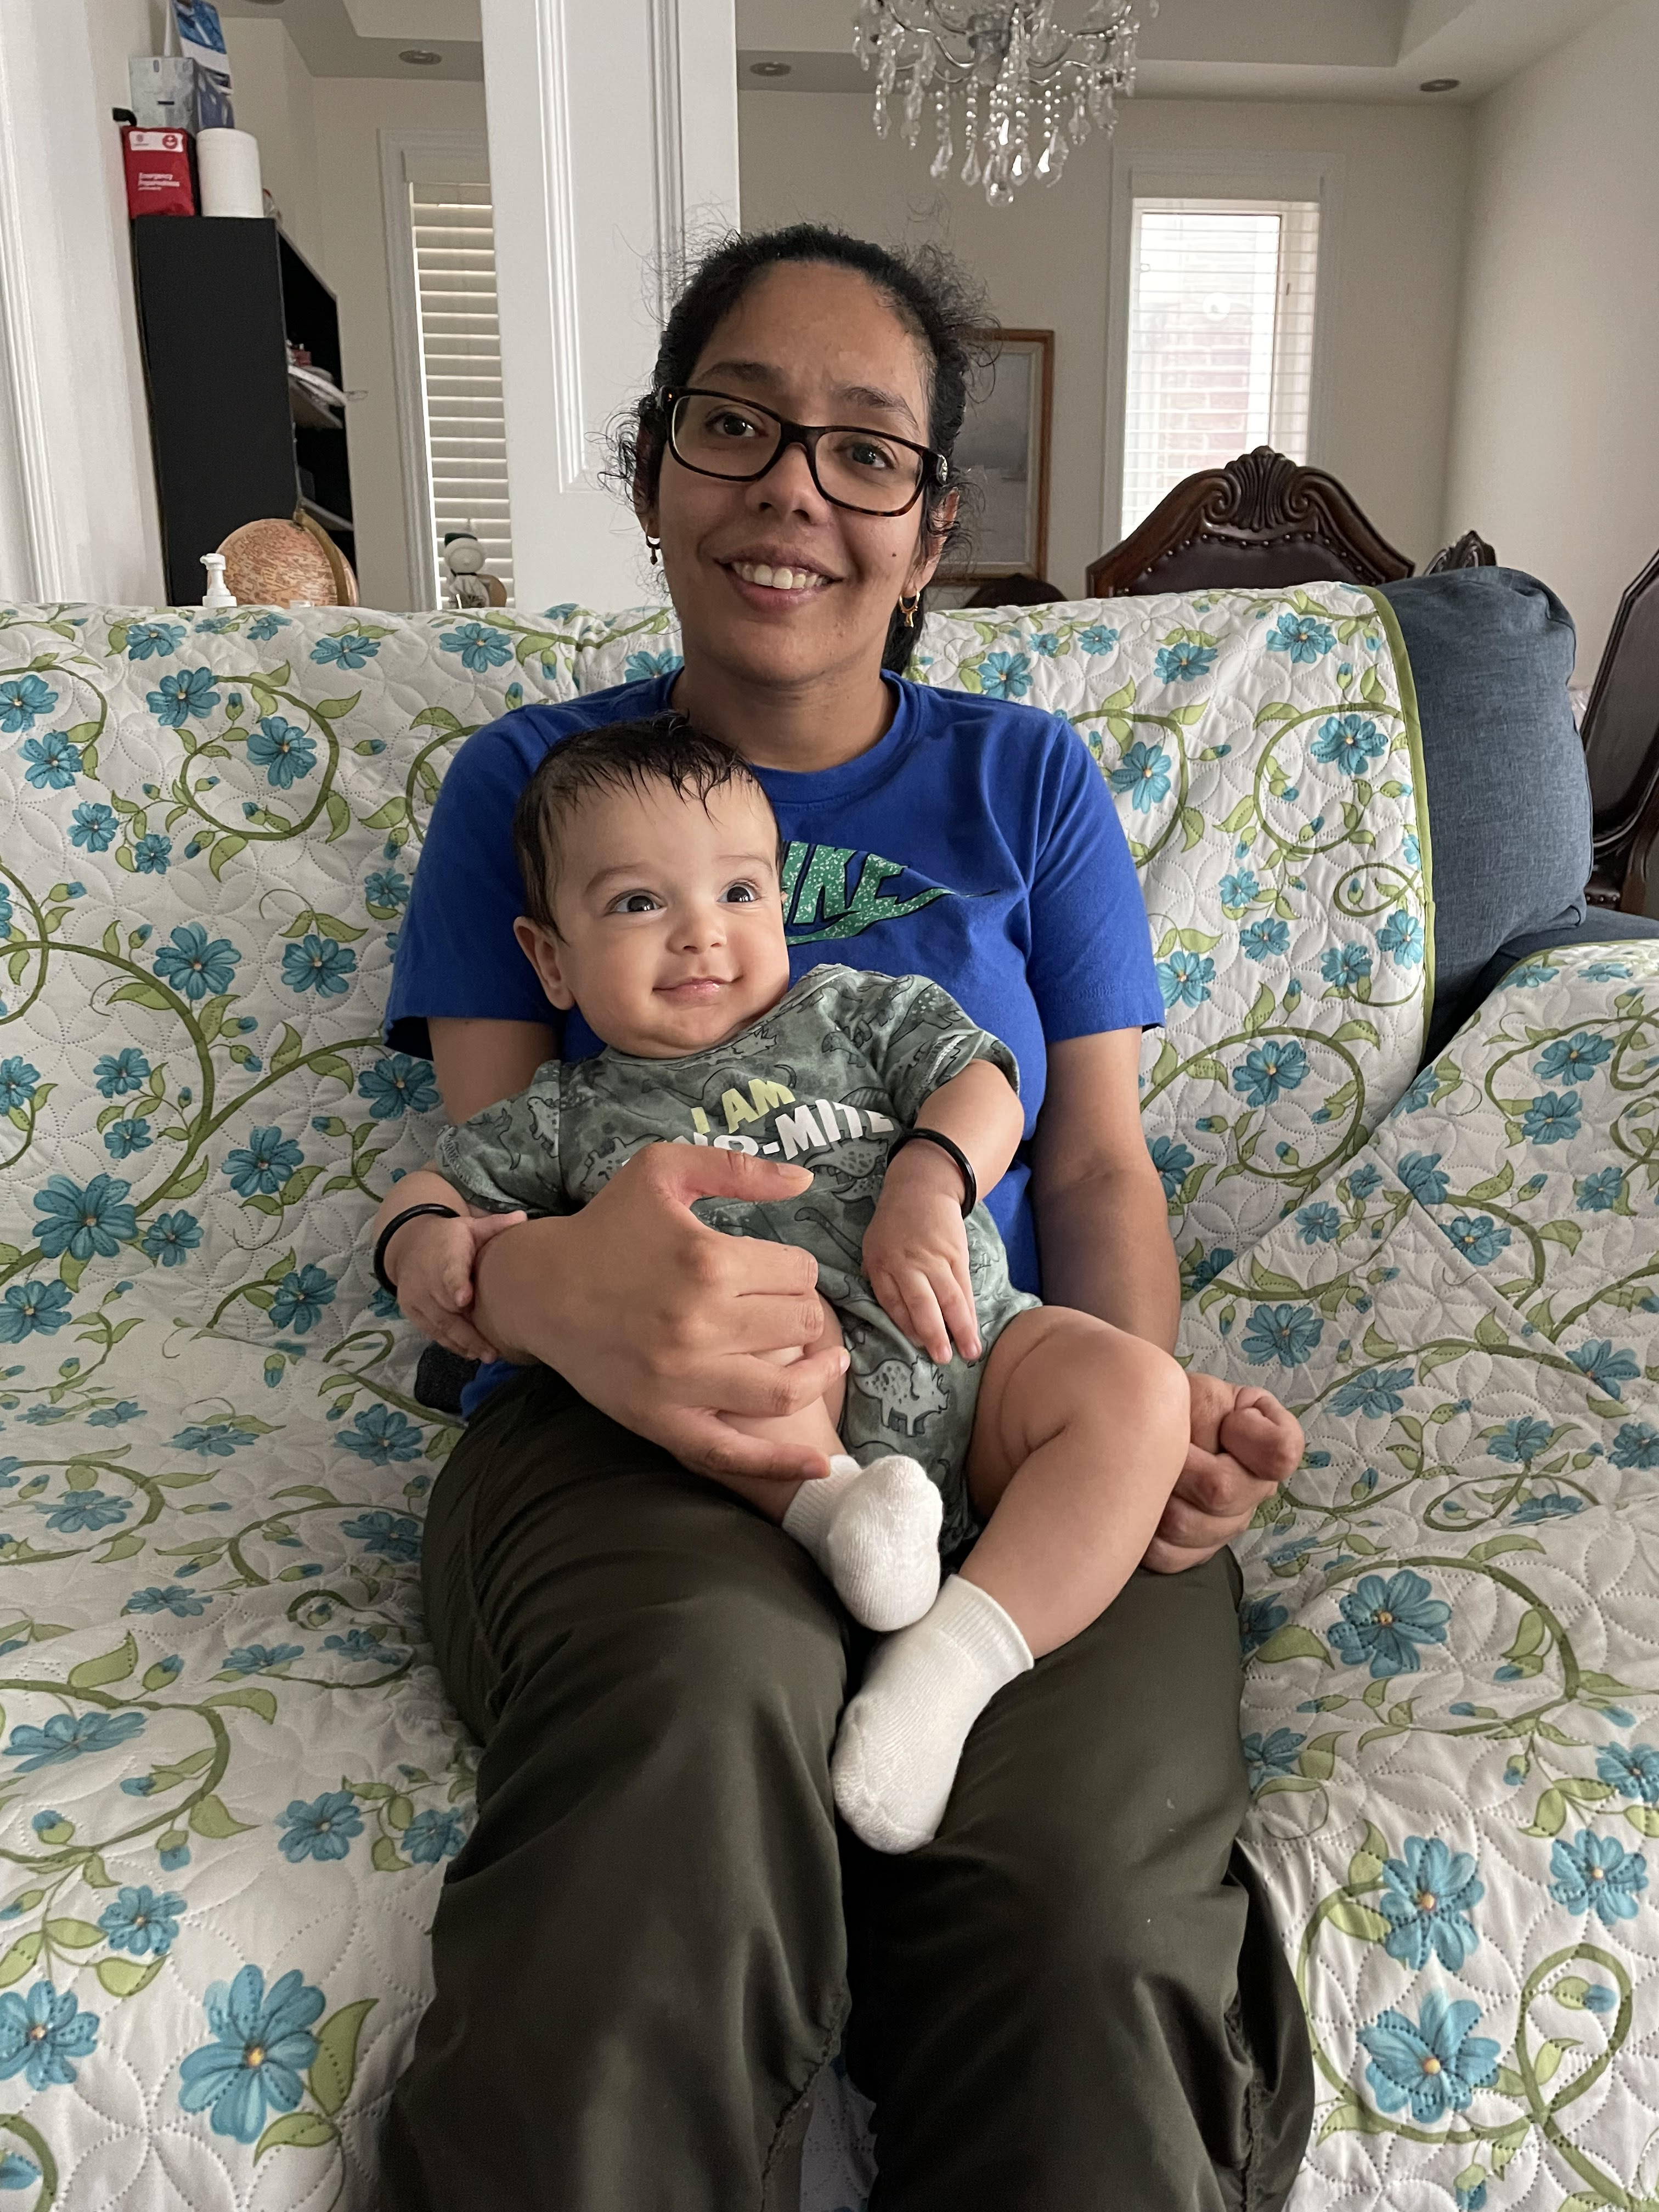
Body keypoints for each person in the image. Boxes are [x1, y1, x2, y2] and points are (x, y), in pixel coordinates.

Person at [376, 223, 1315, 2210]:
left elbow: (1089, 1163)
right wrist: (537, 1289)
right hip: (628, 1429)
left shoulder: (1025, 784)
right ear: (653, 474)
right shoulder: (526, 786)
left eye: (865, 449)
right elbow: (494, 1164)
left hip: (979, 1404)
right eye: (735, 424)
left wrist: (1133, 1422)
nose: (795, 484)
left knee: (1082, 1920)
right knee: (688, 1751)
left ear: (930, 521)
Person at [375, 714, 1208, 1854]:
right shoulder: (568, 1113)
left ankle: (948, 1668)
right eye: (637, 904)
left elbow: (985, 1083)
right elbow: (436, 1186)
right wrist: (420, 1241)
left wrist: (930, 1176)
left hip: (972, 1355)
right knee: (719, 1390)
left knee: (1141, 1397)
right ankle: (837, 1515)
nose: (699, 937)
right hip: (775, 1433)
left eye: (739, 894)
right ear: (550, 960)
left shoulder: (853, 1011)